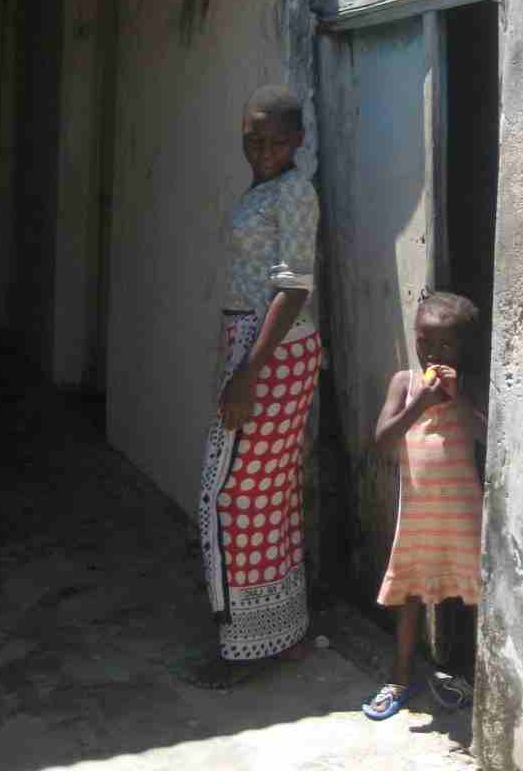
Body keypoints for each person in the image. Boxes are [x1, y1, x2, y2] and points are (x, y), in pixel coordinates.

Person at [192, 84, 320, 688]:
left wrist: (249, 372)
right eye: (253, 139)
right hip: (259, 347)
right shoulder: (267, 190)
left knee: (230, 497)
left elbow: (293, 287)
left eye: (276, 140)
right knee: (265, 495)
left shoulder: (294, 191)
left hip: (273, 352)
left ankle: (245, 648)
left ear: (298, 140)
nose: (263, 150)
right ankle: (281, 633)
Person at [362, 291, 486, 720]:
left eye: (445, 344)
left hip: (464, 512)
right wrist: (421, 403)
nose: (433, 353)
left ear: (464, 347)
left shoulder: (470, 387)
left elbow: (488, 433)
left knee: (474, 590)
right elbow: (383, 440)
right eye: (424, 342)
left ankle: (476, 677)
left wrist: (458, 395)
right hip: (418, 511)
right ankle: (399, 677)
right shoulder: (405, 383)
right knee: (412, 591)